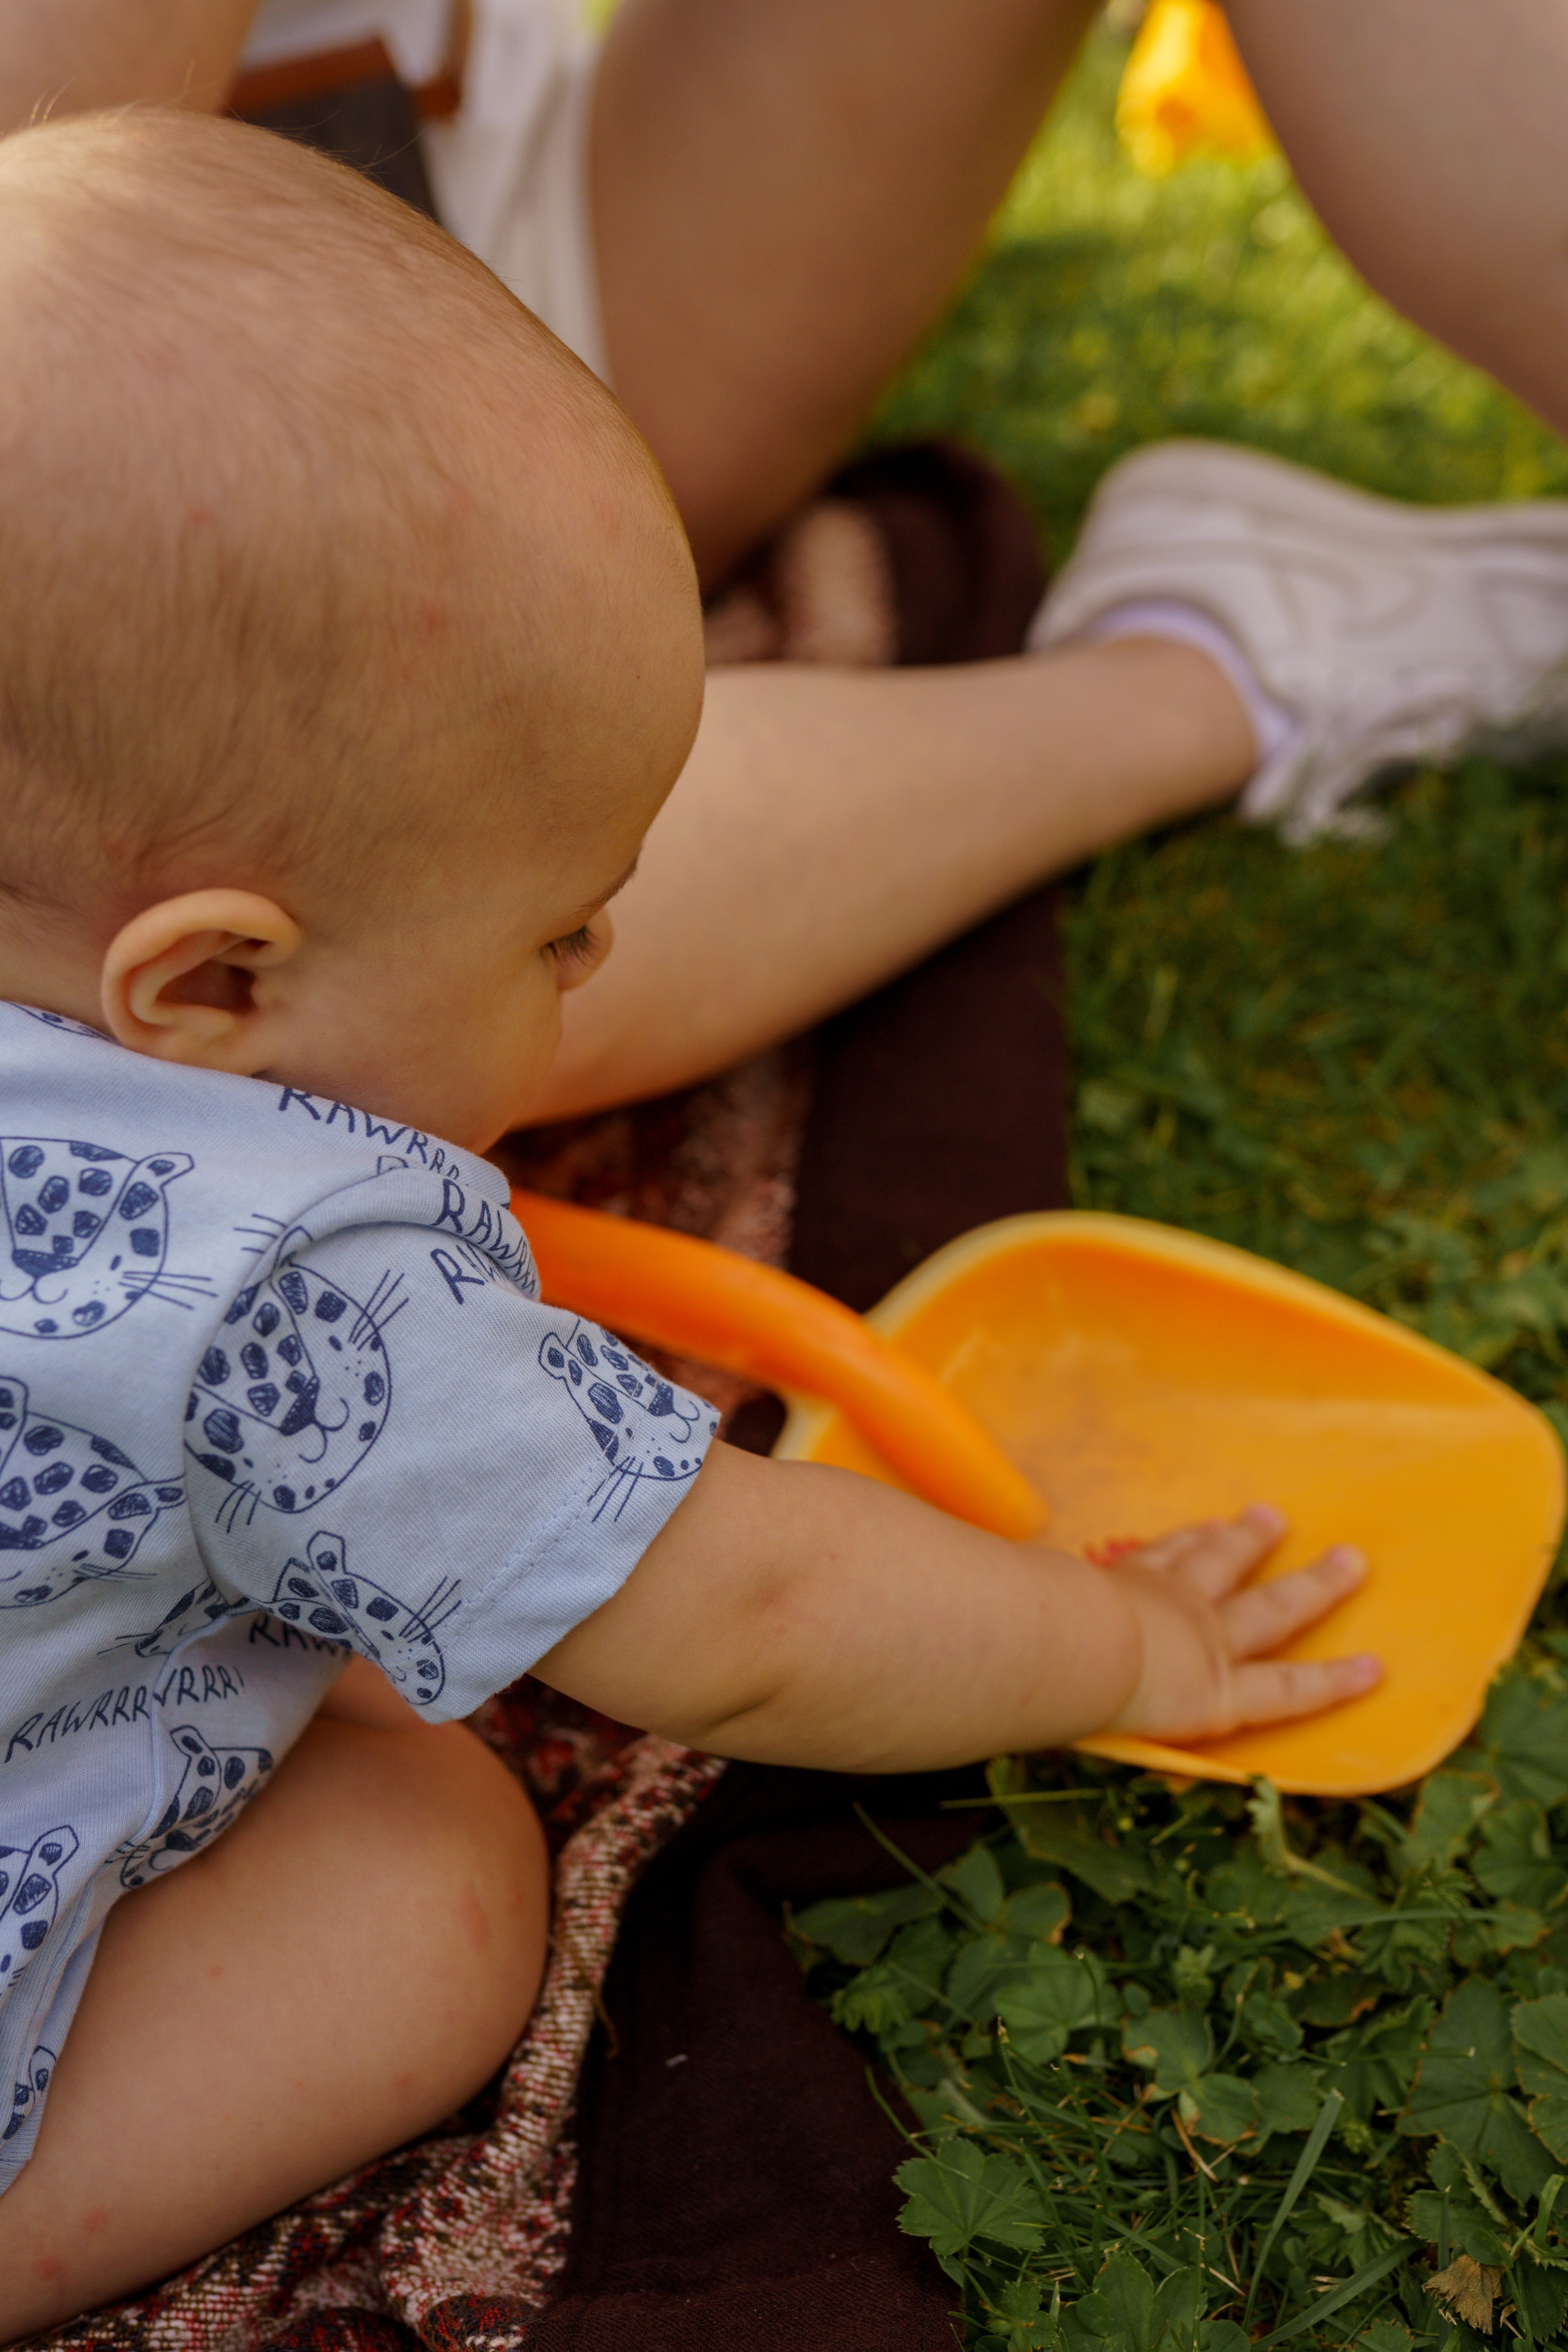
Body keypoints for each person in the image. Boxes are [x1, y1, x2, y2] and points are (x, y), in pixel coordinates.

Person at [0, 115, 1381, 2335]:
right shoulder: (291, 1292)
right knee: (433, 1869)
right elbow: (735, 1611)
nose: (597, 973)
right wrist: (1125, 1648)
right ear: (215, 988)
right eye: (560, 929)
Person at [3, 2, 1568, 1129]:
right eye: (572, 934)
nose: (593, 942)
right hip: (98, 483)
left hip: (472, 229)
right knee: (402, 907)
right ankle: (1213, 667)